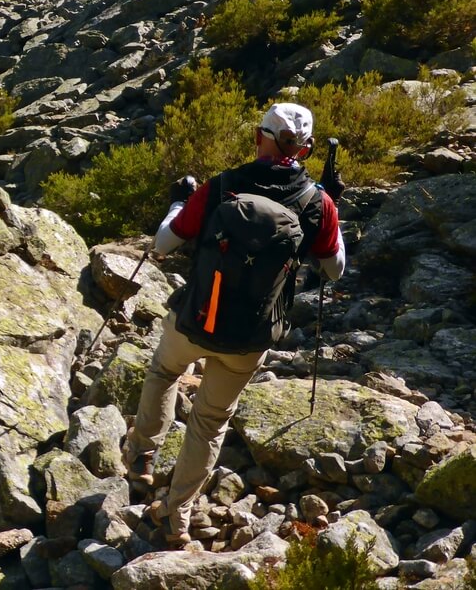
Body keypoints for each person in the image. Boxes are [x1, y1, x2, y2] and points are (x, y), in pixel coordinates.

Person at [123, 102, 347, 548]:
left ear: (258, 137)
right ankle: (176, 516)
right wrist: (332, 211)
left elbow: (163, 243)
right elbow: (335, 269)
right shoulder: (316, 202)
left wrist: (178, 202)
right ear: (305, 149)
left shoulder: (221, 186)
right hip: (250, 338)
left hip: (196, 318)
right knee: (210, 421)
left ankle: (142, 458)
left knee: (165, 371)